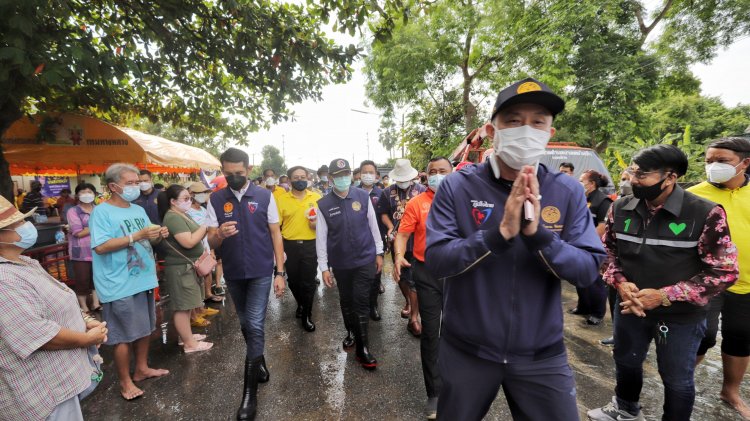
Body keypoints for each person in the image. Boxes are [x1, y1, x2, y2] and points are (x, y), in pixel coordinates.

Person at [425, 77, 606, 419]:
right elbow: (437, 260)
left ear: (549, 134)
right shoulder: (457, 187)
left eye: (537, 121)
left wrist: (539, 236)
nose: (526, 130)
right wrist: (500, 233)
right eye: (513, 120)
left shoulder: (566, 191)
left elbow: (587, 269)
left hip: (542, 355)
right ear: (492, 132)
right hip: (467, 352)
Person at [588, 144, 739, 421]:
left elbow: (724, 271)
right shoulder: (621, 208)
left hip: (681, 315)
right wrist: (620, 282)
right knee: (626, 361)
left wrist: (664, 295)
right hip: (630, 307)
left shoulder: (704, 213)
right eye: (632, 172)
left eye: (642, 175)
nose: (633, 180)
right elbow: (606, 253)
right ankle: (625, 408)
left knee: (677, 377)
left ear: (670, 177)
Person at [0, 195, 107, 421]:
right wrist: (85, 339)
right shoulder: (3, 279)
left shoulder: (24, 262)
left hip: (60, 384)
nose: (27, 226)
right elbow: (37, 334)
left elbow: (56, 300)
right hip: (43, 392)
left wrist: (86, 321)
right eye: (17, 224)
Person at [206, 147, 286, 421]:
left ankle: (249, 395)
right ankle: (259, 361)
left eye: (238, 173)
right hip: (234, 272)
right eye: (228, 174)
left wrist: (279, 272)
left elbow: (276, 234)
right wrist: (219, 233)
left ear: (248, 170)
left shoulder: (264, 196)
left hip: (262, 271)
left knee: (253, 323)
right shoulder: (216, 199)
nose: (234, 178)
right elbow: (210, 240)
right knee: (244, 323)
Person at [89, 163, 170, 401]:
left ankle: (142, 369)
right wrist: (137, 236)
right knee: (122, 335)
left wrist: (157, 235)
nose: (137, 186)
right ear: (114, 186)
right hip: (118, 283)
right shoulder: (101, 212)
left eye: (138, 182)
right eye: (130, 183)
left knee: (146, 328)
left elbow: (147, 240)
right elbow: (101, 246)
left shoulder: (137, 210)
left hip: (143, 278)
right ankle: (125, 382)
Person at [688, 137, 750, 420]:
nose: (713, 166)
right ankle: (681, 383)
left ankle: (731, 391)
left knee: (741, 338)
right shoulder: (694, 195)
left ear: (744, 163)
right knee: (704, 335)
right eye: (709, 160)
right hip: (706, 281)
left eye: (722, 161)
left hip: (747, 283)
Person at [394, 156, 452, 419]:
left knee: (459, 331)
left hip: (458, 274)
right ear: (425, 176)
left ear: (452, 172)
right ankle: (435, 394)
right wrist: (397, 255)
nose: (438, 175)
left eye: (443, 171)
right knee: (431, 334)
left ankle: (461, 386)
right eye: (433, 172)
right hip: (426, 273)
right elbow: (403, 234)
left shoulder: (463, 200)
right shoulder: (417, 203)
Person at [316, 158, 384, 370]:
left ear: (350, 175)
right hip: (341, 262)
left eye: (345, 174)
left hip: (365, 258)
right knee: (346, 300)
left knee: (361, 300)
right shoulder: (323, 204)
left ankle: (363, 349)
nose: (343, 178)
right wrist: (324, 267)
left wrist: (379, 252)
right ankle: (351, 332)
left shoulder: (362, 197)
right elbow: (321, 238)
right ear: (331, 178)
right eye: (338, 176)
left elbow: (374, 227)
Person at [158, 184, 214, 353]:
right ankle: (190, 344)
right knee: (182, 307)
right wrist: (205, 226)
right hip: (180, 269)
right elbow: (188, 242)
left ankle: (186, 337)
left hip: (187, 267)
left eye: (189, 197)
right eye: (186, 198)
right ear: (173, 201)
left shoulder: (181, 214)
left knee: (187, 304)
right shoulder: (173, 218)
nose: (189, 201)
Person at [378, 158, 426, 336]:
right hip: (397, 241)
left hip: (417, 241)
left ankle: (414, 318)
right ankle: (408, 301)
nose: (403, 181)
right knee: (402, 278)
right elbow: (382, 213)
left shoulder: (421, 190)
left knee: (413, 279)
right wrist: (390, 226)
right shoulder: (387, 193)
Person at [276, 166, 321, 332]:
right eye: (296, 177)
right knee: (293, 281)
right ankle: (301, 303)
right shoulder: (281, 200)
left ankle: (306, 315)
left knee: (308, 281)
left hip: (311, 244)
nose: (300, 180)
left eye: (303, 176)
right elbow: (277, 227)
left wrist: (315, 224)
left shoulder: (316, 197)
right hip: (289, 246)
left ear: (308, 178)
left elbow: (323, 223)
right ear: (289, 180)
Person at [569, 170, 613, 325]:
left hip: (592, 246)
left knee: (595, 281)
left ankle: (597, 312)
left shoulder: (603, 201)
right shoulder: (581, 197)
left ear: (592, 183)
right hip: (578, 245)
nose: (579, 182)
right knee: (580, 278)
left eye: (582, 180)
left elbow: (602, 226)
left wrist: (585, 241)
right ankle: (583, 306)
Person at [67, 183, 101, 313]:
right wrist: (96, 226)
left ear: (94, 194)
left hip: (99, 249)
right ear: (77, 195)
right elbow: (78, 232)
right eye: (83, 192)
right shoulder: (73, 211)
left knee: (96, 278)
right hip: (80, 252)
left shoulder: (98, 209)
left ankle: (96, 303)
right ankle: (84, 306)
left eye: (89, 191)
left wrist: (87, 228)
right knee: (82, 279)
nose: (87, 194)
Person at [187, 182, 224, 302]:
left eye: (204, 192)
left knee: (207, 270)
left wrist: (211, 249)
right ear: (192, 194)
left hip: (206, 245)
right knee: (196, 273)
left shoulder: (203, 209)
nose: (203, 195)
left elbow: (209, 230)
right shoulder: (186, 212)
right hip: (195, 245)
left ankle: (207, 294)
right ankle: (197, 301)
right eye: (200, 193)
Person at [360, 160, 387, 320]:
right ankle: (361, 306)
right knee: (360, 277)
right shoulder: (352, 192)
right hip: (359, 242)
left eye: (371, 172)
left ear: (376, 175)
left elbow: (385, 217)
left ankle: (373, 306)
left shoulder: (382, 194)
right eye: (365, 172)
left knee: (376, 275)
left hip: (377, 242)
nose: (368, 175)